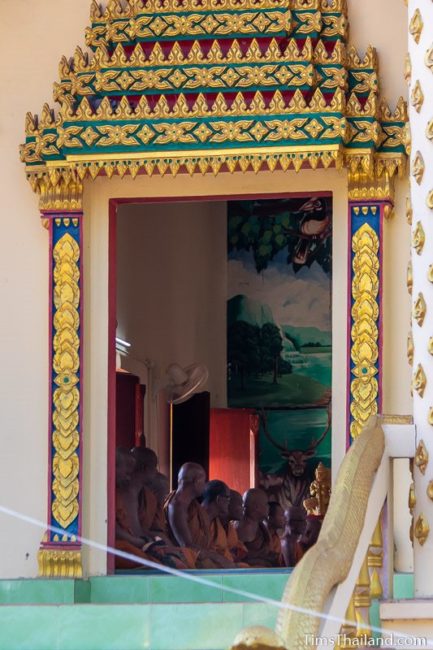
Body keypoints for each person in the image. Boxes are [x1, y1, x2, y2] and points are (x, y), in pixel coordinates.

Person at [115, 448, 188, 570]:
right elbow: (112, 529)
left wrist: (153, 541)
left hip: (139, 543)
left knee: (180, 558)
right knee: (164, 564)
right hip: (121, 546)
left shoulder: (149, 497)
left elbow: (148, 530)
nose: (130, 473)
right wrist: (141, 542)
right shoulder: (117, 493)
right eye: (128, 469)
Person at [164, 463, 229, 568]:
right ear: (196, 481)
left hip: (201, 555)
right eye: (203, 481)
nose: (204, 486)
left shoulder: (193, 506)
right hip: (188, 559)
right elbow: (187, 546)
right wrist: (218, 558)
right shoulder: (177, 506)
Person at [235, 488, 280, 568]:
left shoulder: (260, 525)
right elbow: (242, 556)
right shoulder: (245, 526)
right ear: (256, 507)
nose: (268, 507)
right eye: (266, 504)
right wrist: (264, 556)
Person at [266, 501, 285, 567]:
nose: (284, 518)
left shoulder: (275, 537)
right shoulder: (262, 537)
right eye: (281, 515)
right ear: (270, 518)